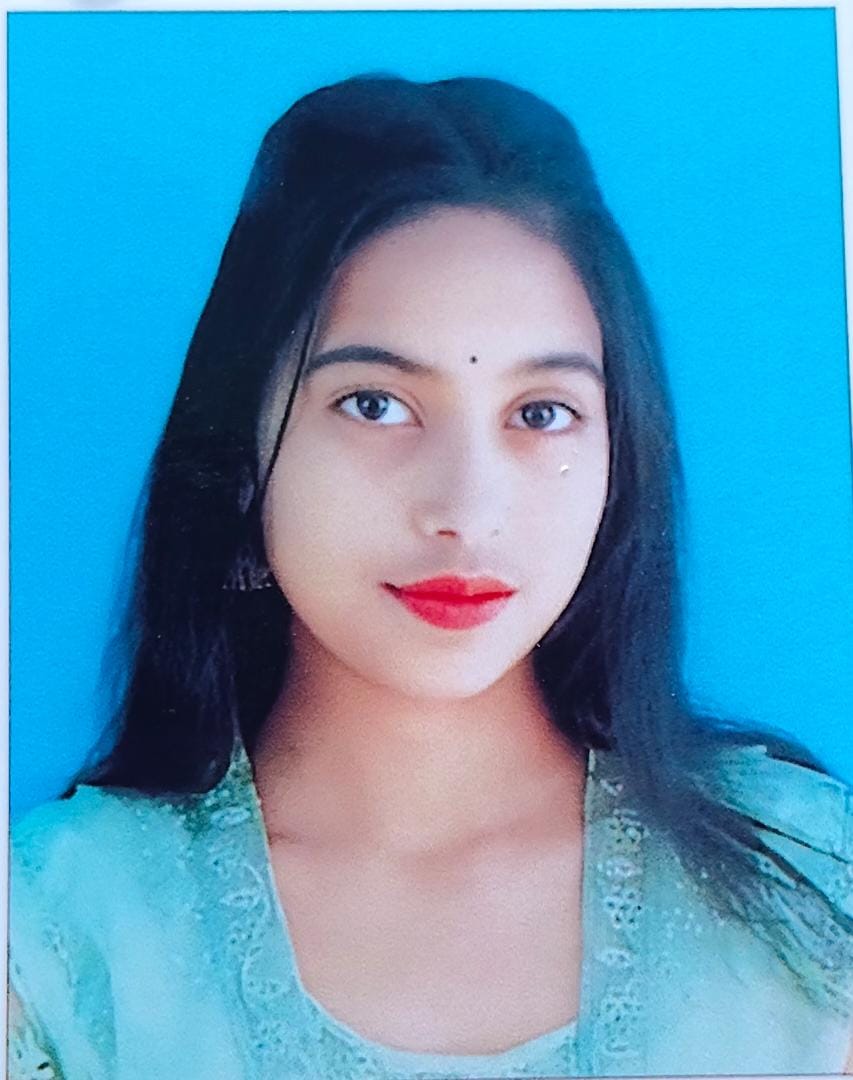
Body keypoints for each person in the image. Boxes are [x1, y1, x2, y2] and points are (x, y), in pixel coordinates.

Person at [9, 74, 852, 1079]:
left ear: (618, 465)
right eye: (375, 404)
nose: (467, 507)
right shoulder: (58, 936)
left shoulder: (810, 888)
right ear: (238, 462)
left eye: (540, 413)